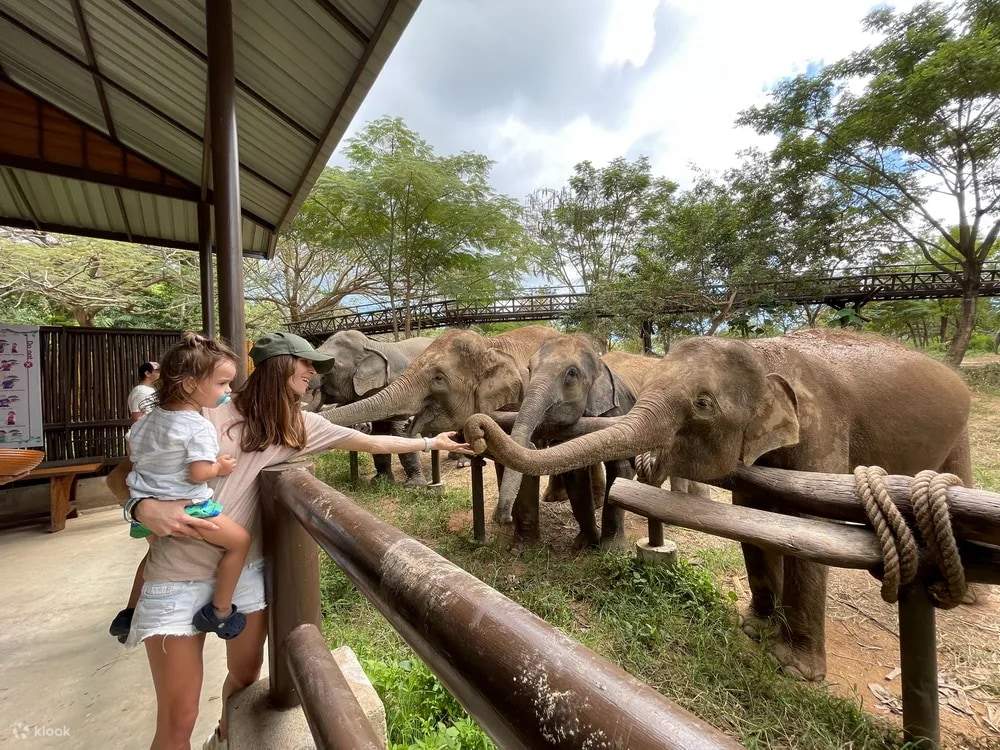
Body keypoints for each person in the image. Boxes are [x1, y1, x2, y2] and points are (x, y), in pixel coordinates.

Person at [121, 332, 472, 749]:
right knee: (179, 717)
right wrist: (140, 508)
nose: (312, 373)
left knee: (247, 676)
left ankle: (227, 735)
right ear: (278, 367)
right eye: (305, 363)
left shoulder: (300, 426)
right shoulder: (201, 415)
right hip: (176, 577)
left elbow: (370, 440)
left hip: (244, 576)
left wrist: (432, 441)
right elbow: (120, 477)